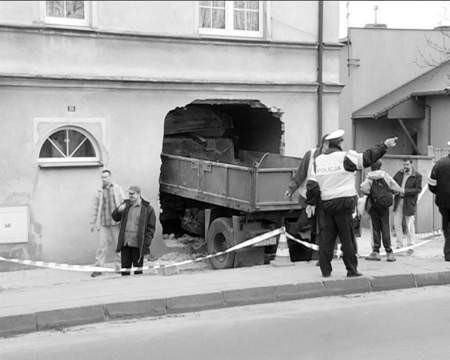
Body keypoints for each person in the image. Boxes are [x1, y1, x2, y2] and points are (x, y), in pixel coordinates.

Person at [306, 129, 398, 278]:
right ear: (339, 144)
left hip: (326, 204)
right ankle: (351, 270)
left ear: (327, 145)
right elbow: (368, 157)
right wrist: (384, 145)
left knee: (326, 238)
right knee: (347, 237)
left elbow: (312, 185)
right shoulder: (346, 157)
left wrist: (311, 203)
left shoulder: (317, 161)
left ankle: (325, 270)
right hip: (345, 203)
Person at [284, 134, 329, 261]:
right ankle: (296, 248)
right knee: (303, 224)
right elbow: (300, 174)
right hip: (307, 200)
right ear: (323, 144)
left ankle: (316, 256)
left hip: (323, 200)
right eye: (327, 145)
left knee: (321, 228)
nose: (329, 148)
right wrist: (291, 189)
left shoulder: (333, 158)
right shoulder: (310, 155)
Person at [360, 160, 402, 262]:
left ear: (371, 167)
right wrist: (389, 192)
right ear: (380, 166)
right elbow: (397, 188)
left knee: (375, 228)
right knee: (385, 227)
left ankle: (376, 252)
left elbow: (363, 189)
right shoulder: (385, 176)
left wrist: (371, 193)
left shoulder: (369, 177)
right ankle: (389, 252)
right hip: (384, 206)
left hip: (373, 206)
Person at [112, 185, 156, 276]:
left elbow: (151, 228)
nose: (130, 196)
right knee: (125, 273)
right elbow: (115, 217)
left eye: (132, 194)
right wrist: (119, 210)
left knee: (138, 273)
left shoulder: (148, 209)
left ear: (139, 194)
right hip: (126, 244)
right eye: (129, 193)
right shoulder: (125, 206)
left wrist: (146, 243)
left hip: (138, 246)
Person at [90, 169, 125, 277]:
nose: (104, 179)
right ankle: (98, 268)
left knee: (119, 247)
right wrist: (92, 222)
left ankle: (119, 267)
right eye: (102, 177)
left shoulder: (117, 189)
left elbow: (124, 203)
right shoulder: (99, 191)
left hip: (116, 224)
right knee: (101, 247)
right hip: (104, 223)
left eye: (105, 177)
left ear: (110, 177)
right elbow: (94, 208)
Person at [393, 159, 422, 250]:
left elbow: (418, 190)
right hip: (398, 201)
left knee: (409, 223)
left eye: (407, 164)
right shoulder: (399, 173)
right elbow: (392, 183)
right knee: (397, 223)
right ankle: (399, 243)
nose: (405, 166)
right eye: (404, 164)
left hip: (409, 202)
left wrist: (405, 191)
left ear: (411, 164)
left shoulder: (417, 176)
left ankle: (410, 243)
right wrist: (394, 190)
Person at [428, 142, 450, 261]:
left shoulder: (439, 164)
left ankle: (448, 250)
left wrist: (439, 193)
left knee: (446, 225)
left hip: (443, 201)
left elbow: (431, 184)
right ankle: (448, 253)